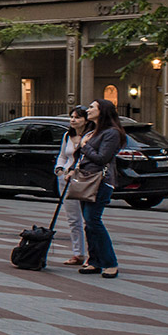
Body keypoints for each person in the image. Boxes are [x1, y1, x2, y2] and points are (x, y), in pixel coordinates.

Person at [76, 98, 125, 278]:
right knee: (89, 223)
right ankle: (94, 261)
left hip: (100, 181)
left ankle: (110, 263)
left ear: (102, 111)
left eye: (91, 107)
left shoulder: (111, 133)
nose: (87, 110)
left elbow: (102, 158)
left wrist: (85, 146)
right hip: (86, 180)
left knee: (93, 220)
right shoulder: (93, 130)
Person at [54, 107, 89, 267]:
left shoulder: (91, 137)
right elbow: (62, 155)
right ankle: (78, 253)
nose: (73, 120)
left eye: (77, 117)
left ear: (86, 120)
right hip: (65, 179)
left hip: (84, 180)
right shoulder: (68, 135)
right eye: (72, 117)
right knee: (73, 219)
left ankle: (92, 253)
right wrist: (59, 168)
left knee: (88, 219)